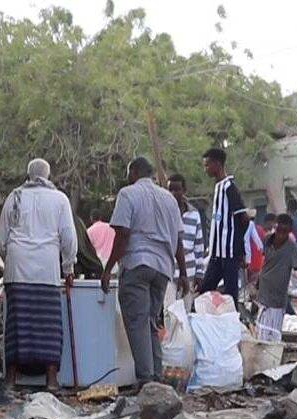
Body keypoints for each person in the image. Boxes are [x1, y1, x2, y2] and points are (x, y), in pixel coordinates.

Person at [104, 156, 188, 384]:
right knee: (151, 322)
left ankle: (146, 380)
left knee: (138, 322)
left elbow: (122, 235)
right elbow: (179, 241)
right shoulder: (169, 199)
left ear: (133, 173)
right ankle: (156, 377)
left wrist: (108, 268)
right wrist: (183, 273)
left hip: (137, 263)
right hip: (163, 267)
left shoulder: (128, 194)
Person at [0, 158, 78, 389]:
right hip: (47, 269)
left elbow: (2, 239)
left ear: (28, 174)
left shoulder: (14, 197)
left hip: (18, 268)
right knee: (49, 325)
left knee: (16, 324)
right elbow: (68, 237)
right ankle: (51, 379)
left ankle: (11, 379)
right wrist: (69, 267)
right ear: (48, 175)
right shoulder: (59, 199)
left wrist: (10, 259)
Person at [198, 148, 249, 302]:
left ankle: (232, 323)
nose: (205, 169)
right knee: (204, 292)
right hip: (216, 254)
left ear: (217, 164)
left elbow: (244, 219)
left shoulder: (229, 188)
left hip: (229, 254)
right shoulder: (218, 187)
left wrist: (238, 248)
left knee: (230, 295)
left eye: (207, 165)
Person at [255, 214, 297, 342]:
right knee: (262, 330)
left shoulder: (291, 247)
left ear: (289, 232)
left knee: (274, 332)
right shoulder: (267, 240)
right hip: (264, 289)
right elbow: (264, 261)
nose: (281, 235)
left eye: (285, 232)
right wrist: (257, 281)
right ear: (275, 228)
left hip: (279, 295)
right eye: (279, 231)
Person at [168, 174, 206, 290]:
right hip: (168, 272)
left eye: (177, 189)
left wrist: (199, 273)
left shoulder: (194, 214)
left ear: (184, 190)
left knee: (187, 307)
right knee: (170, 308)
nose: (174, 193)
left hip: (189, 272)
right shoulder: (165, 213)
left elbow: (198, 247)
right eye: (171, 190)